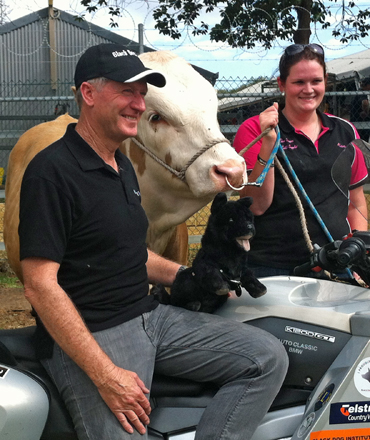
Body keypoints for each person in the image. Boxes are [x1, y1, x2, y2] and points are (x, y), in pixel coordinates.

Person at [18, 43, 288, 440]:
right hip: (95, 335)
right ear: (88, 94)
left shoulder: (121, 163)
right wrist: (107, 375)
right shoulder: (52, 171)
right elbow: (39, 284)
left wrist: (184, 275)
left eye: (142, 94)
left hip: (151, 317)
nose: (139, 104)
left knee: (267, 359)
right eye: (127, 91)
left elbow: (127, 252)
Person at [233, 43, 368, 278]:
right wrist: (269, 145)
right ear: (282, 84)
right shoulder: (255, 128)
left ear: (325, 81)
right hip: (272, 266)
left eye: (316, 81)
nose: (308, 90)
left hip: (336, 262)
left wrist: (358, 253)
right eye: (298, 82)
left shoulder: (345, 131)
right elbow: (255, 206)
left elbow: (355, 202)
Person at [350, 76, 370, 142]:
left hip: (355, 119)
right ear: (368, 85)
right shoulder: (362, 93)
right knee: (363, 140)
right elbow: (365, 103)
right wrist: (366, 112)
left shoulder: (358, 92)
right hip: (360, 120)